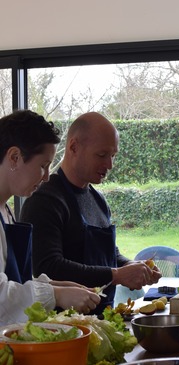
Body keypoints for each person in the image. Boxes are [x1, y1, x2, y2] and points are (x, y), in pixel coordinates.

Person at [20, 112, 161, 314]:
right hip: (64, 326)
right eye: (102, 155)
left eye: (113, 156)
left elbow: (109, 255)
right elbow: (48, 267)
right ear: (74, 147)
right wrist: (116, 275)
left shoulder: (98, 200)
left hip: (103, 320)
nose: (110, 165)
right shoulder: (45, 199)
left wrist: (133, 267)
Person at [0, 110, 101, 325]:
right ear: (14, 157)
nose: (46, 177)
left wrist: (56, 285)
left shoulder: (5, 211)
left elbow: (15, 280)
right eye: (43, 166)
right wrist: (55, 295)